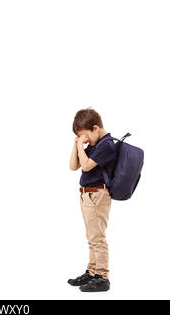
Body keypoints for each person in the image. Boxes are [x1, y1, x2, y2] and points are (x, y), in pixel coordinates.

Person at [67, 108, 117, 292]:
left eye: (85, 136)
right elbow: (73, 166)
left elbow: (86, 166)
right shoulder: (95, 144)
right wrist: (76, 144)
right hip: (87, 194)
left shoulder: (106, 144)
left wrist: (81, 146)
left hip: (97, 195)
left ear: (95, 128)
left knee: (98, 238)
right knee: (91, 236)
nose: (84, 140)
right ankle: (92, 271)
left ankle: (102, 277)